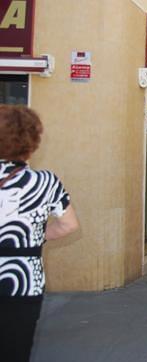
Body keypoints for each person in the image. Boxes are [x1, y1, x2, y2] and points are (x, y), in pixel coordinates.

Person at [0, 105, 81, 361]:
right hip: (23, 282)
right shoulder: (45, 182)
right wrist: (34, 234)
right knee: (15, 350)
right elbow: (69, 225)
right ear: (31, 142)